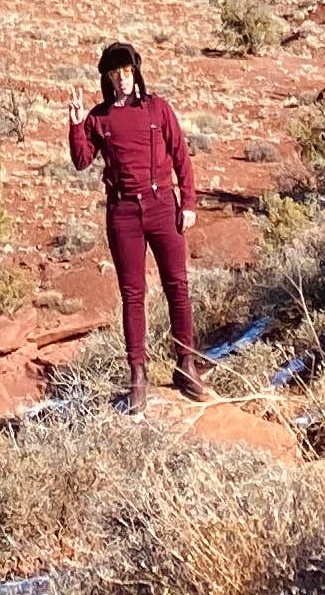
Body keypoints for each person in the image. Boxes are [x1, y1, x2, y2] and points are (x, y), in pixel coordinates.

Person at [67, 39, 208, 406]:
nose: (123, 79)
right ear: (108, 78)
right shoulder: (99, 117)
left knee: (177, 285)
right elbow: (82, 160)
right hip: (123, 213)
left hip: (162, 204)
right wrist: (76, 124)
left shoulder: (157, 109)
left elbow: (181, 155)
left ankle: (185, 364)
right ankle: (138, 376)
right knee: (133, 295)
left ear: (136, 73)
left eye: (128, 72)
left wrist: (188, 202)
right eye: (116, 73)